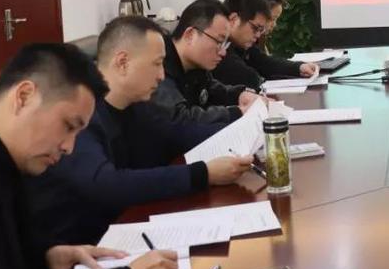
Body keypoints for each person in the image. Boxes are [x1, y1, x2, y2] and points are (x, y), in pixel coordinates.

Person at [0, 43, 179, 269]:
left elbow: (5, 253)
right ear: (24, 96)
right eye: (68, 126)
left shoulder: (5, 153)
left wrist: (47, 256)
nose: (69, 147)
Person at [28, 17, 253, 244]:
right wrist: (203, 174)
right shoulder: (81, 113)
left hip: (128, 226)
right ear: (123, 63)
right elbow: (106, 184)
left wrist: (244, 130)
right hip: (82, 244)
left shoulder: (138, 106)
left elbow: (178, 134)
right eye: (157, 64)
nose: (162, 76)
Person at [152, 0, 264, 124]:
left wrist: (240, 95)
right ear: (190, 35)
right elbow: (178, 121)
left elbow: (212, 90)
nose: (223, 52)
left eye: (225, 44)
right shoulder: (158, 65)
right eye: (219, 42)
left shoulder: (195, 67)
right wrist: (236, 113)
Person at [213, 0, 316, 89]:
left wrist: (298, 67)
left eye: (260, 29)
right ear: (234, 19)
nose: (258, 35)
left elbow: (263, 62)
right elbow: (249, 78)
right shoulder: (217, 47)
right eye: (255, 28)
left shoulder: (239, 44)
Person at [251, 0, 317, 79]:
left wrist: (299, 67)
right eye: (272, 19)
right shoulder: (239, 45)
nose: (274, 25)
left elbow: (266, 62)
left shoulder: (258, 40)